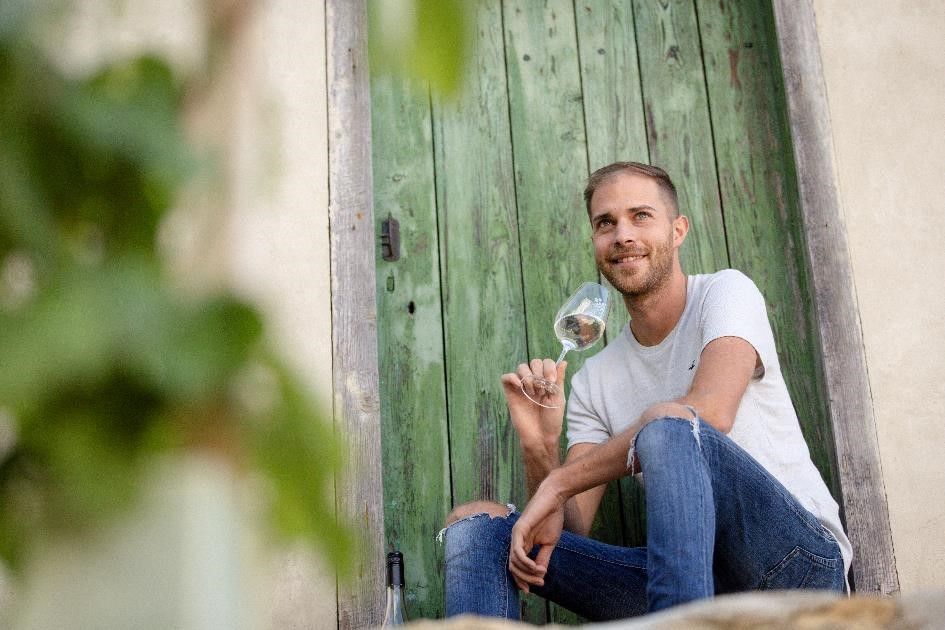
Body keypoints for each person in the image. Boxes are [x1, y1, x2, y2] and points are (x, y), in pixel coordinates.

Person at [440, 162, 851, 621]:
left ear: (678, 231)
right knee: (476, 526)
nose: (622, 235)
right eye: (605, 223)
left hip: (793, 566)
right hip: (685, 583)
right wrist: (540, 448)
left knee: (668, 423)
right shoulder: (596, 380)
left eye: (641, 216)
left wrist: (559, 483)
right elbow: (568, 529)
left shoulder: (726, 294)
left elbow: (710, 413)